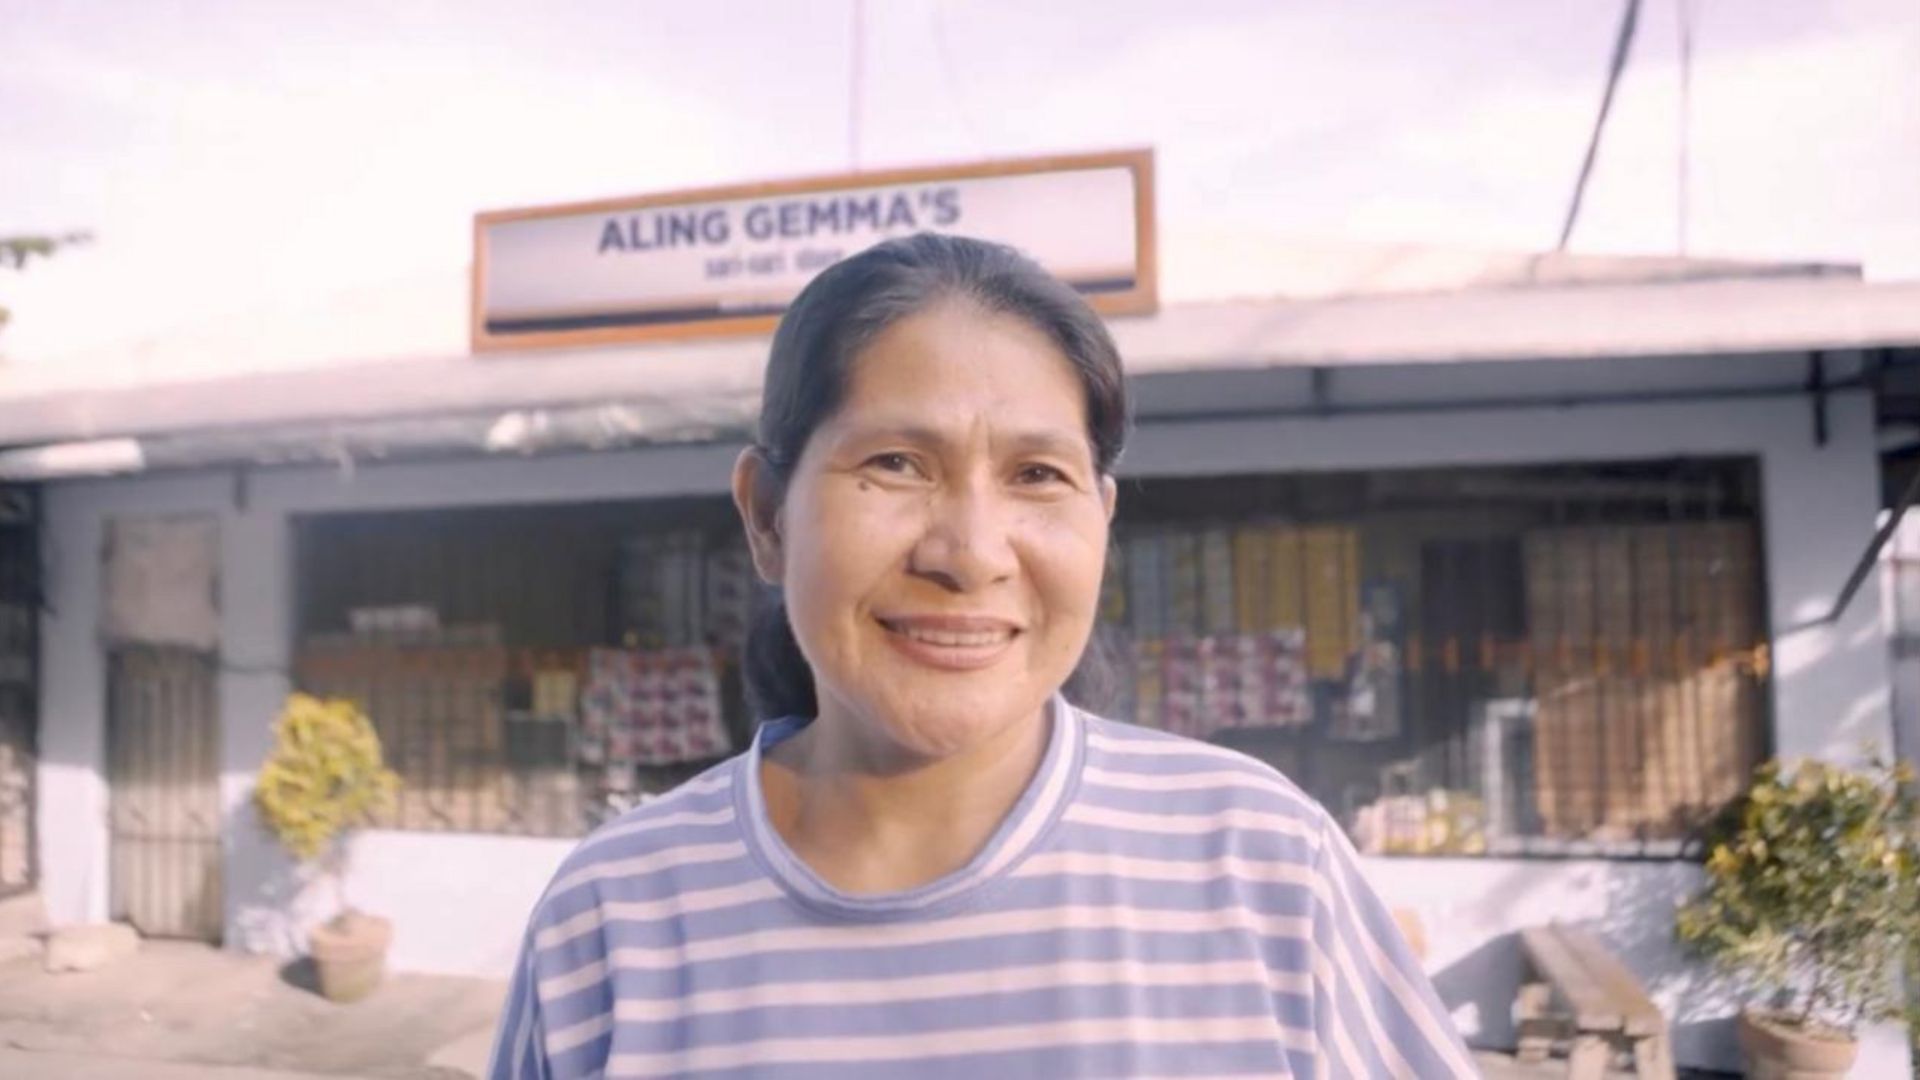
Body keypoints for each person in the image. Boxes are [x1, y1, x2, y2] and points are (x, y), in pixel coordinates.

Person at [488, 233, 1476, 1079]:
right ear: (765, 517)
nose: (968, 554)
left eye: (1037, 475)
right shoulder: (613, 919)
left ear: (1102, 519)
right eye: (895, 464)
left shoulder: (1262, 868)